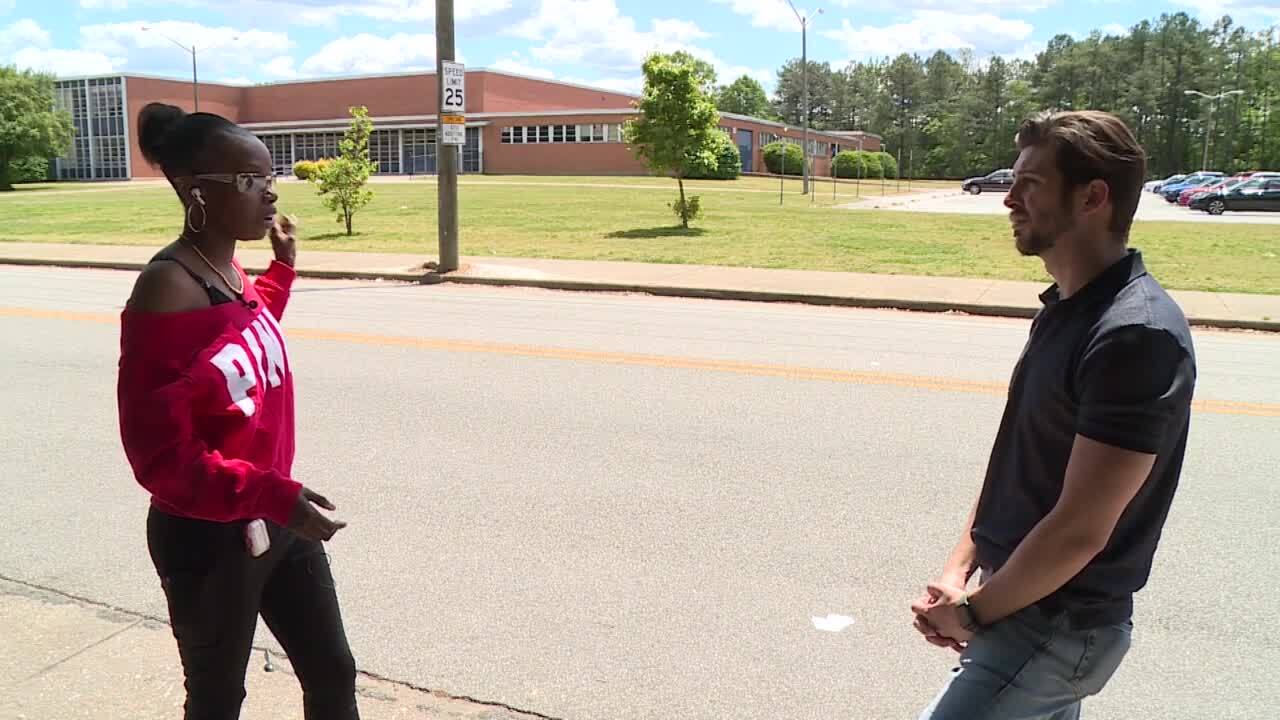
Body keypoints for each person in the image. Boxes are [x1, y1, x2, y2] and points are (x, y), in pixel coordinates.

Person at [910, 110, 1197, 719]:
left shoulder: (1135, 335)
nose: (1009, 198)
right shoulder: (1067, 309)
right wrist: (959, 571)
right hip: (1019, 604)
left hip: (1055, 626)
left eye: (1031, 184)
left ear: (1092, 197)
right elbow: (1018, 462)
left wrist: (973, 613)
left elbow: (1080, 529)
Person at [117, 102, 359, 720]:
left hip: (273, 514)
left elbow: (237, 341)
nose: (270, 193)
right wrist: (270, 495)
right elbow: (160, 457)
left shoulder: (225, 269)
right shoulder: (167, 288)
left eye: (270, 177)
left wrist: (283, 270)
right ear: (196, 190)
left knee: (333, 672)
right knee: (219, 699)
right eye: (250, 180)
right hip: (208, 536)